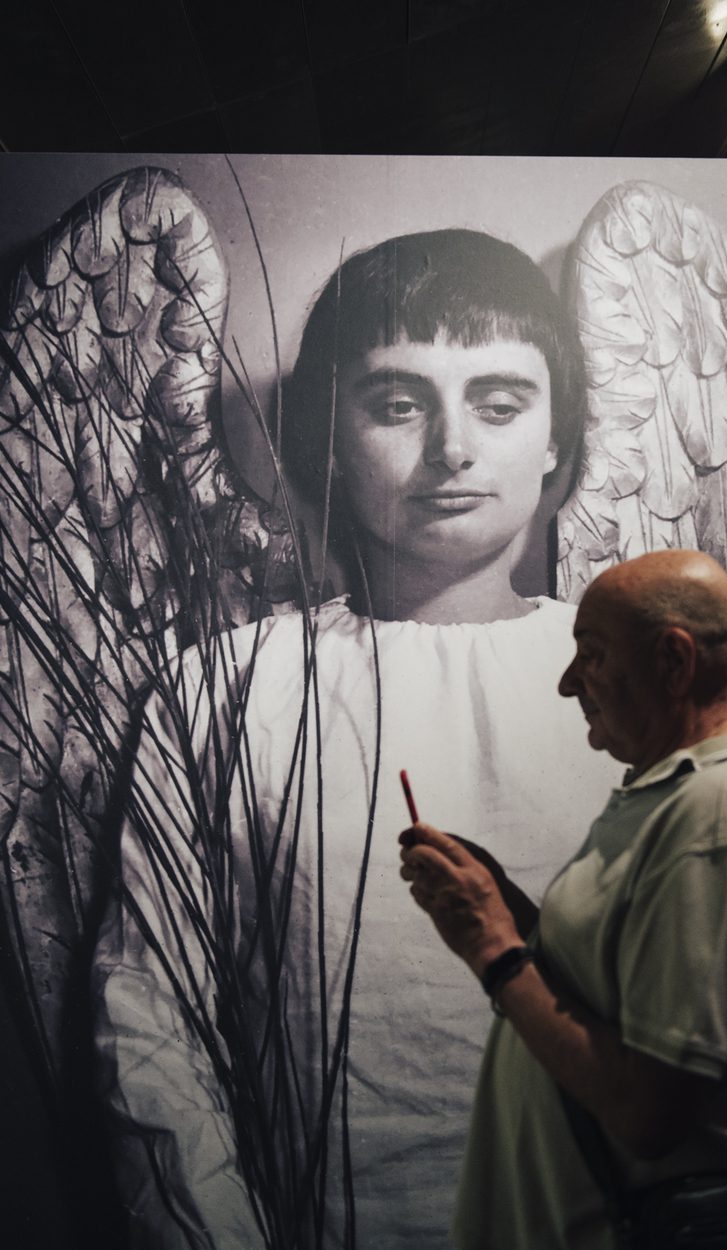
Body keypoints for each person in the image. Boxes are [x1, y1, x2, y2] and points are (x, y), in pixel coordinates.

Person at [92, 228, 621, 1249]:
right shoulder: (225, 689)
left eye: (499, 402)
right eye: (397, 403)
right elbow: (146, 1017)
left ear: (555, 438)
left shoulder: (649, 677)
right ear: (330, 438)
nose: (452, 448)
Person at [400, 550, 727, 1250]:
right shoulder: (683, 792)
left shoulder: (716, 818)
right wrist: (503, 908)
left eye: (591, 655)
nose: (569, 682)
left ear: (673, 662)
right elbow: (615, 993)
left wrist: (495, 949)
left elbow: (649, 1114)